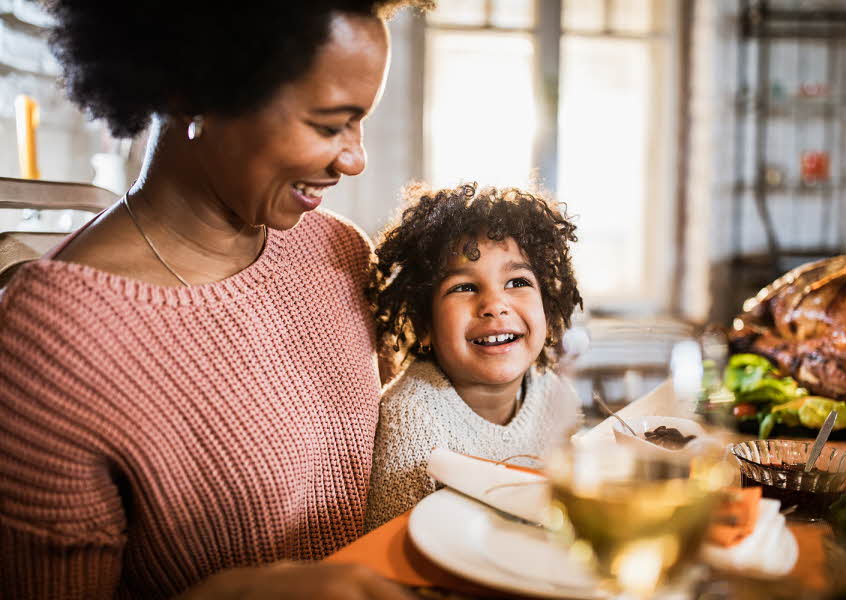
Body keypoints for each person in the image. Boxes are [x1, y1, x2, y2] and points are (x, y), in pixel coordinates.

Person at [0, 1, 433, 598]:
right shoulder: (58, 334)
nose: (356, 160)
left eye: (360, 123)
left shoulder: (338, 252)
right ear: (194, 92)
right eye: (330, 124)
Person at [364, 182, 583, 530]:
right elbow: (392, 545)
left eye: (517, 282)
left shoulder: (552, 391)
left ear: (548, 308)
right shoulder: (412, 420)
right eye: (464, 287)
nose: (495, 305)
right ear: (424, 325)